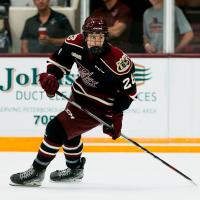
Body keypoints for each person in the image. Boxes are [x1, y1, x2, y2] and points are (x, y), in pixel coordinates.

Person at [9, 16, 137, 186]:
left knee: (55, 128)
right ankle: (74, 169)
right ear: (84, 35)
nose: (96, 41)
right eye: (92, 37)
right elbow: (59, 62)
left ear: (106, 37)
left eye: (100, 37)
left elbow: (129, 93)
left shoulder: (117, 61)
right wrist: (52, 76)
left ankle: (37, 171)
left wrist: (114, 115)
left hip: (98, 107)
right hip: (78, 96)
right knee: (69, 133)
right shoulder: (74, 42)